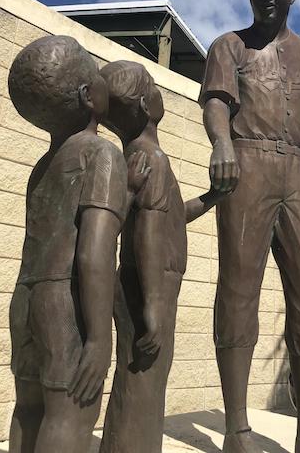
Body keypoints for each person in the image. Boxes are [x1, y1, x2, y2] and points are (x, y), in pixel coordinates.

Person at [199, 0, 300, 453]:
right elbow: (216, 101)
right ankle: (236, 427)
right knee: (238, 290)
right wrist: (221, 144)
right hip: (249, 164)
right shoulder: (228, 47)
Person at [7, 36, 146, 453]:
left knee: (29, 408)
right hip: (64, 302)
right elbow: (93, 251)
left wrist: (128, 194)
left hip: (25, 299)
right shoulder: (102, 154)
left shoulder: (41, 168)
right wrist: (100, 339)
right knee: (71, 411)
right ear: (89, 97)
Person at [99, 60, 226, 453]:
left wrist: (211, 197)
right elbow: (151, 235)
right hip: (150, 287)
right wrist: (154, 307)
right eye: (154, 86)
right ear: (145, 104)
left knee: (138, 375)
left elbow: (170, 216)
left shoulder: (137, 156)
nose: (159, 93)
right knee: (144, 379)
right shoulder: (152, 159)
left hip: (143, 283)